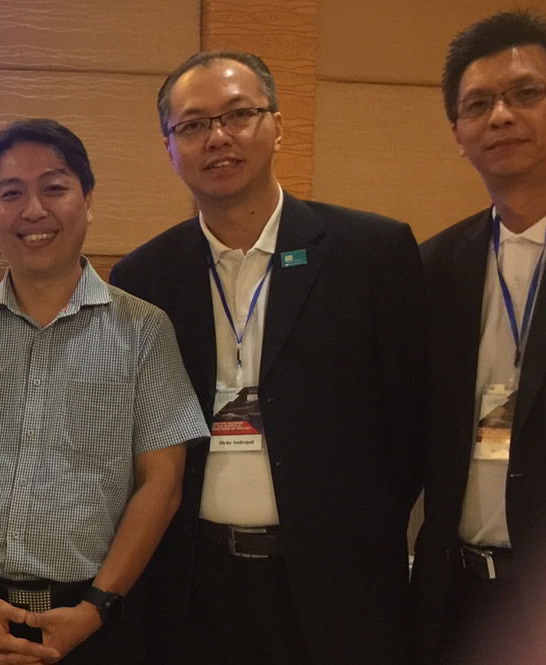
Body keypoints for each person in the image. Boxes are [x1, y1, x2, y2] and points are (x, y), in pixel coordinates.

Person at [110, 51, 425, 665]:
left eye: (239, 115)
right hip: (194, 588)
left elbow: (411, 424)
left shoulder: (371, 253)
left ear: (277, 125)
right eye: (193, 125)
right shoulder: (145, 275)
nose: (218, 138)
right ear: (169, 146)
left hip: (338, 586)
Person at [0, 118, 207, 664]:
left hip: (99, 621)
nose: (33, 210)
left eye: (54, 188)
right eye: (10, 193)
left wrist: (94, 609)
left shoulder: (145, 329)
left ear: (87, 201)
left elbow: (163, 482)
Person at [409, 10, 546, 664]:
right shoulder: (432, 266)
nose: (500, 116)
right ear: (457, 133)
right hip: (454, 596)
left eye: (526, 94)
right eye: (478, 104)